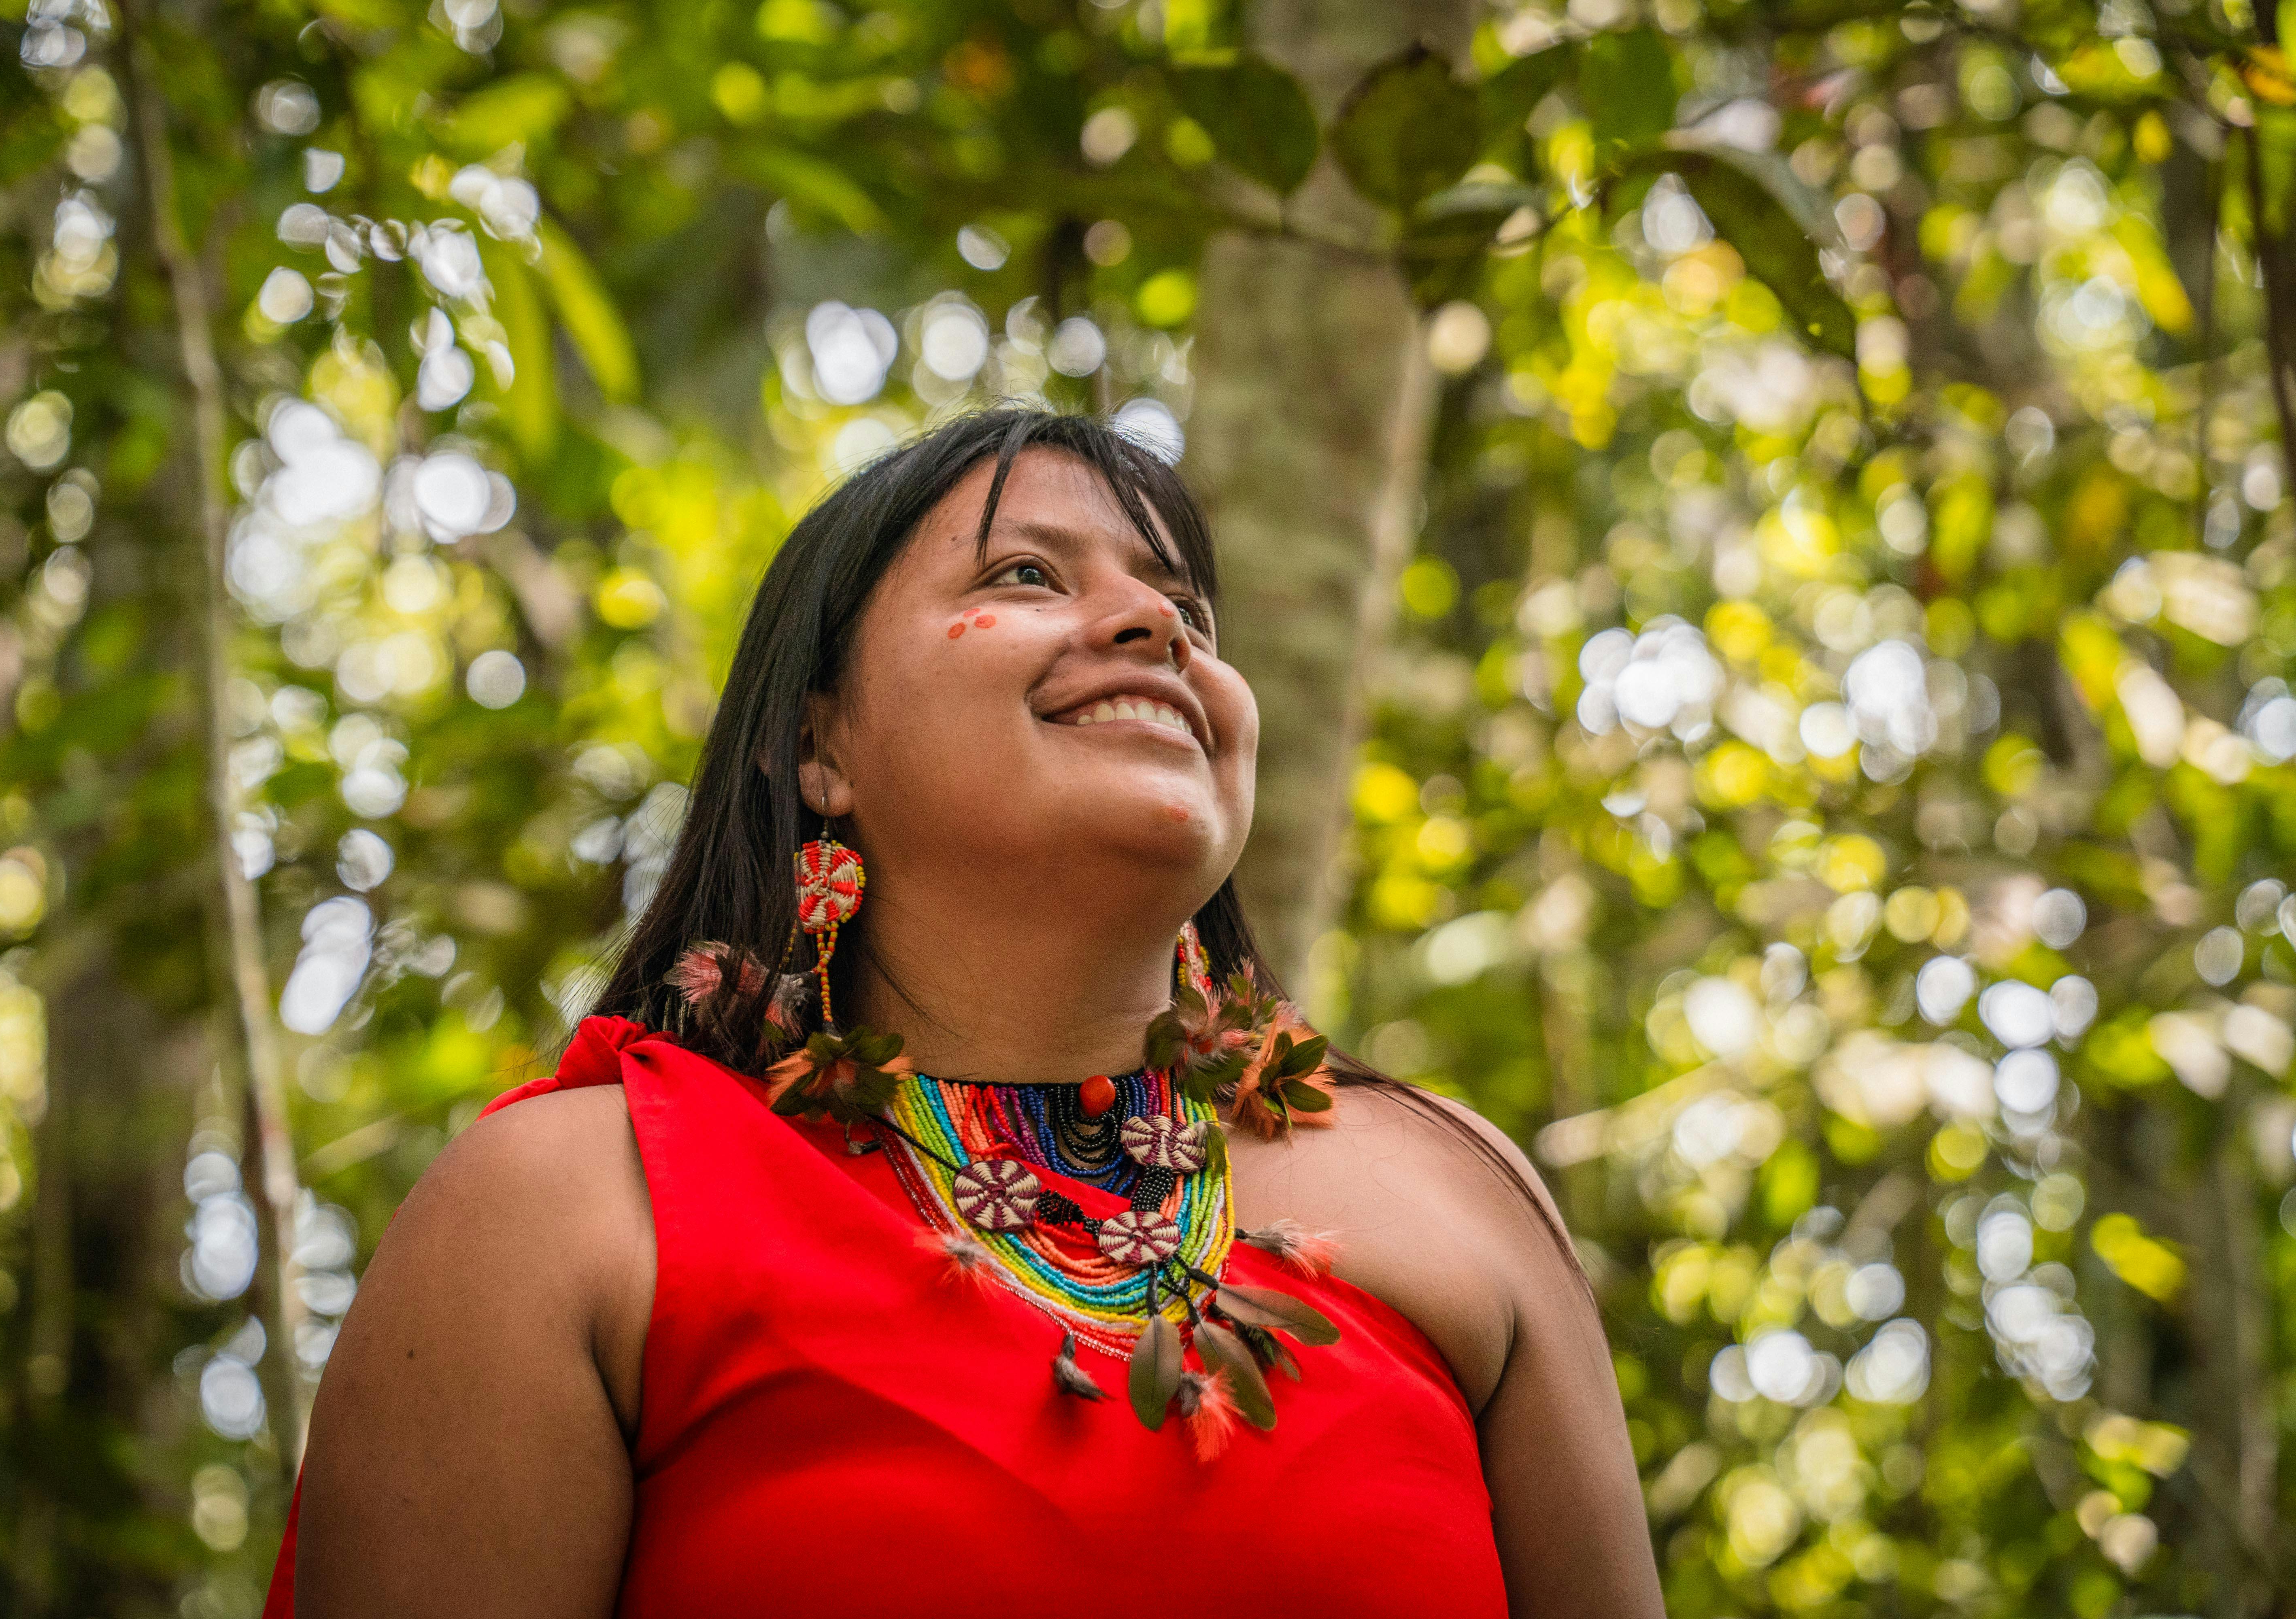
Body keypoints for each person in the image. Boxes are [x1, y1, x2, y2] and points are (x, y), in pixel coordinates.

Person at [271, 410, 1662, 1618]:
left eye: (1185, 608)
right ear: (821, 747)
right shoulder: (571, 1207)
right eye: (1026, 575)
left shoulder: (1456, 1190)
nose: (1154, 626)